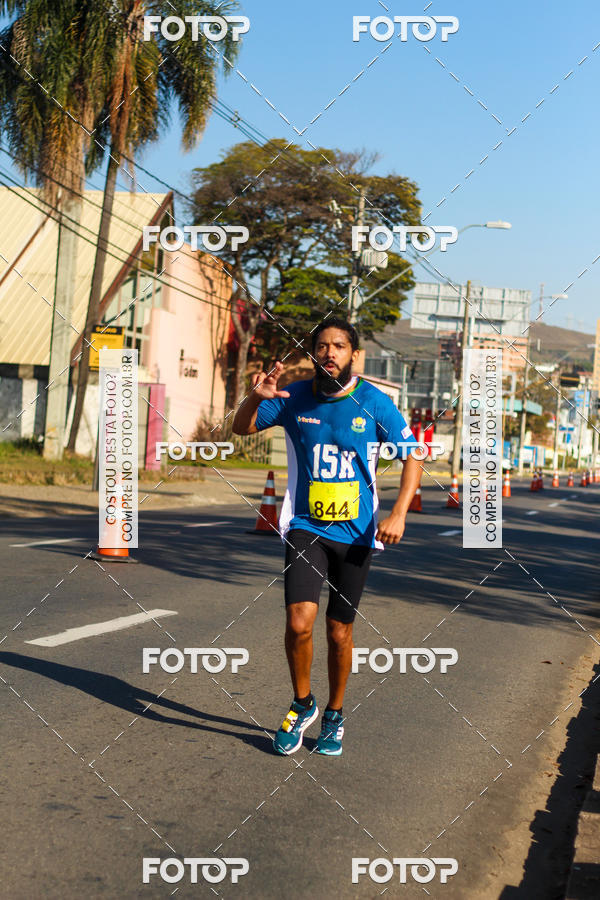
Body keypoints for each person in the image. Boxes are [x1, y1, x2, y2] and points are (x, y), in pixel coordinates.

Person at [233, 318, 421, 756]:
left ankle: (334, 714)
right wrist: (252, 398)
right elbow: (242, 428)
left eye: (339, 346)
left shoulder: (374, 402)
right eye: (322, 345)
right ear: (313, 352)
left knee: (339, 632)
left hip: (356, 535)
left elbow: (412, 455)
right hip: (306, 527)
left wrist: (398, 514)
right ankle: (303, 703)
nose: (330, 353)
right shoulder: (293, 395)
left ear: (355, 355)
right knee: (299, 622)